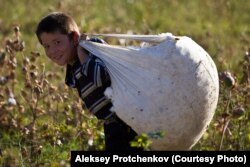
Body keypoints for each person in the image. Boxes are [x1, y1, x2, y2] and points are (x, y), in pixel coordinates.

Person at [35, 12, 142, 151]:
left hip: (127, 122)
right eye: (47, 46)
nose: (53, 51)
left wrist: (82, 52)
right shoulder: (73, 65)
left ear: (74, 38)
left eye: (57, 42)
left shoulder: (92, 50)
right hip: (111, 124)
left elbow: (100, 77)